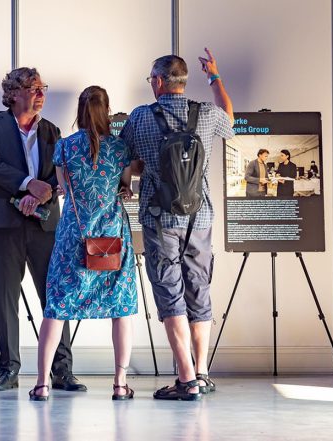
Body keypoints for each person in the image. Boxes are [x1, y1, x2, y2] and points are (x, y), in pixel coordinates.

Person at [120, 50, 234, 401]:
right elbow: (231, 119)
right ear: (184, 81)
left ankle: (185, 380)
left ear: (157, 81)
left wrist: (139, 173)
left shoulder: (141, 117)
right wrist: (214, 76)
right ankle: (201, 372)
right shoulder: (208, 114)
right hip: (201, 217)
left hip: (160, 219)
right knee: (198, 289)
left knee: (170, 294)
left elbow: (128, 161)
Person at [0, 67, 86, 392]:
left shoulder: (52, 131)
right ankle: (8, 370)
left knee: (56, 296)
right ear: (13, 93)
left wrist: (46, 191)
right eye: (34, 89)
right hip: (2, 224)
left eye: (42, 89)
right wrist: (28, 185)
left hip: (45, 224)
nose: (40, 95)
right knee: (5, 298)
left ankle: (62, 371)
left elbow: (61, 173)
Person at [29, 86, 137, 401]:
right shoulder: (120, 149)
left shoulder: (63, 148)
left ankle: (41, 384)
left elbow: (63, 188)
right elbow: (124, 186)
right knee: (121, 308)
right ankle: (119, 384)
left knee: (56, 308)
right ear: (107, 111)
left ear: (79, 111)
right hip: (111, 238)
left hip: (72, 238)